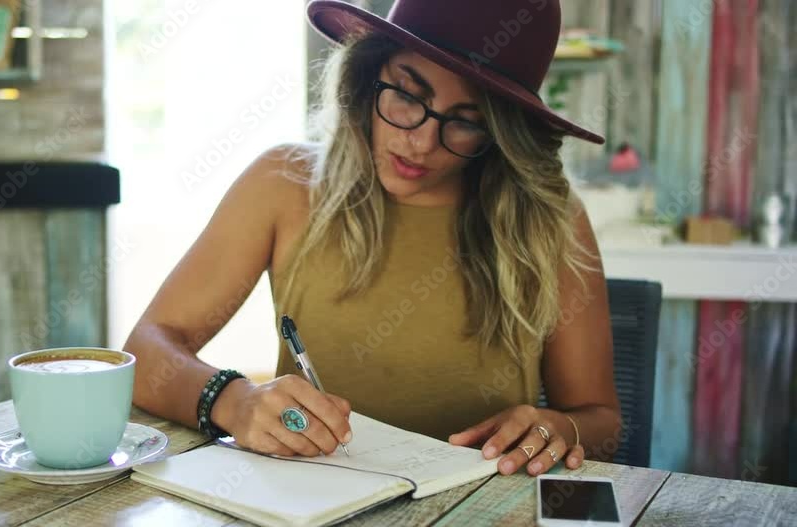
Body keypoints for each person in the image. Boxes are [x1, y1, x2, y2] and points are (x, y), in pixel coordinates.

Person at [124, 0, 622, 477]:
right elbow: (146, 354)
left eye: (466, 122)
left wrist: (561, 427)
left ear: (500, 132)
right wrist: (234, 401)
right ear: (368, 76)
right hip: (307, 504)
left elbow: (600, 421)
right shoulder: (285, 184)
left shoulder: (551, 220)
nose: (421, 141)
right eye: (407, 96)